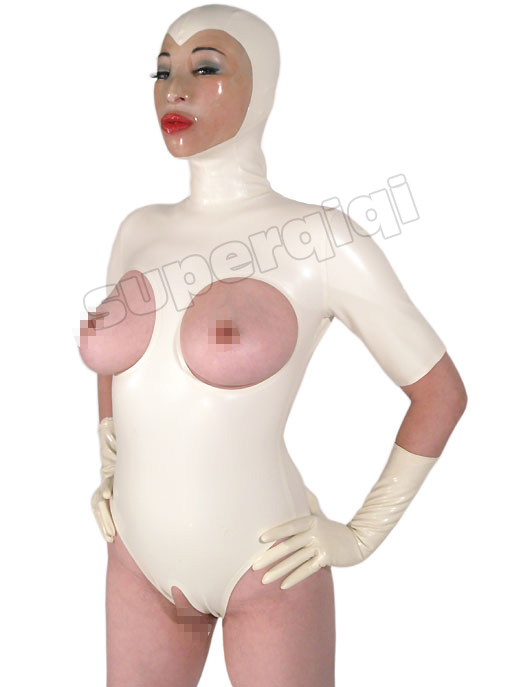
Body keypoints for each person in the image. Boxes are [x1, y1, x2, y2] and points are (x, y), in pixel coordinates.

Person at [78, 5, 467, 686]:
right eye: (163, 72)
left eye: (205, 68)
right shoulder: (137, 230)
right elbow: (121, 358)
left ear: (264, 86)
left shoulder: (321, 239)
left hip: (266, 561)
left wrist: (361, 533)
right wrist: (110, 460)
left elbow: (439, 393)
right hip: (135, 557)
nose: (175, 90)